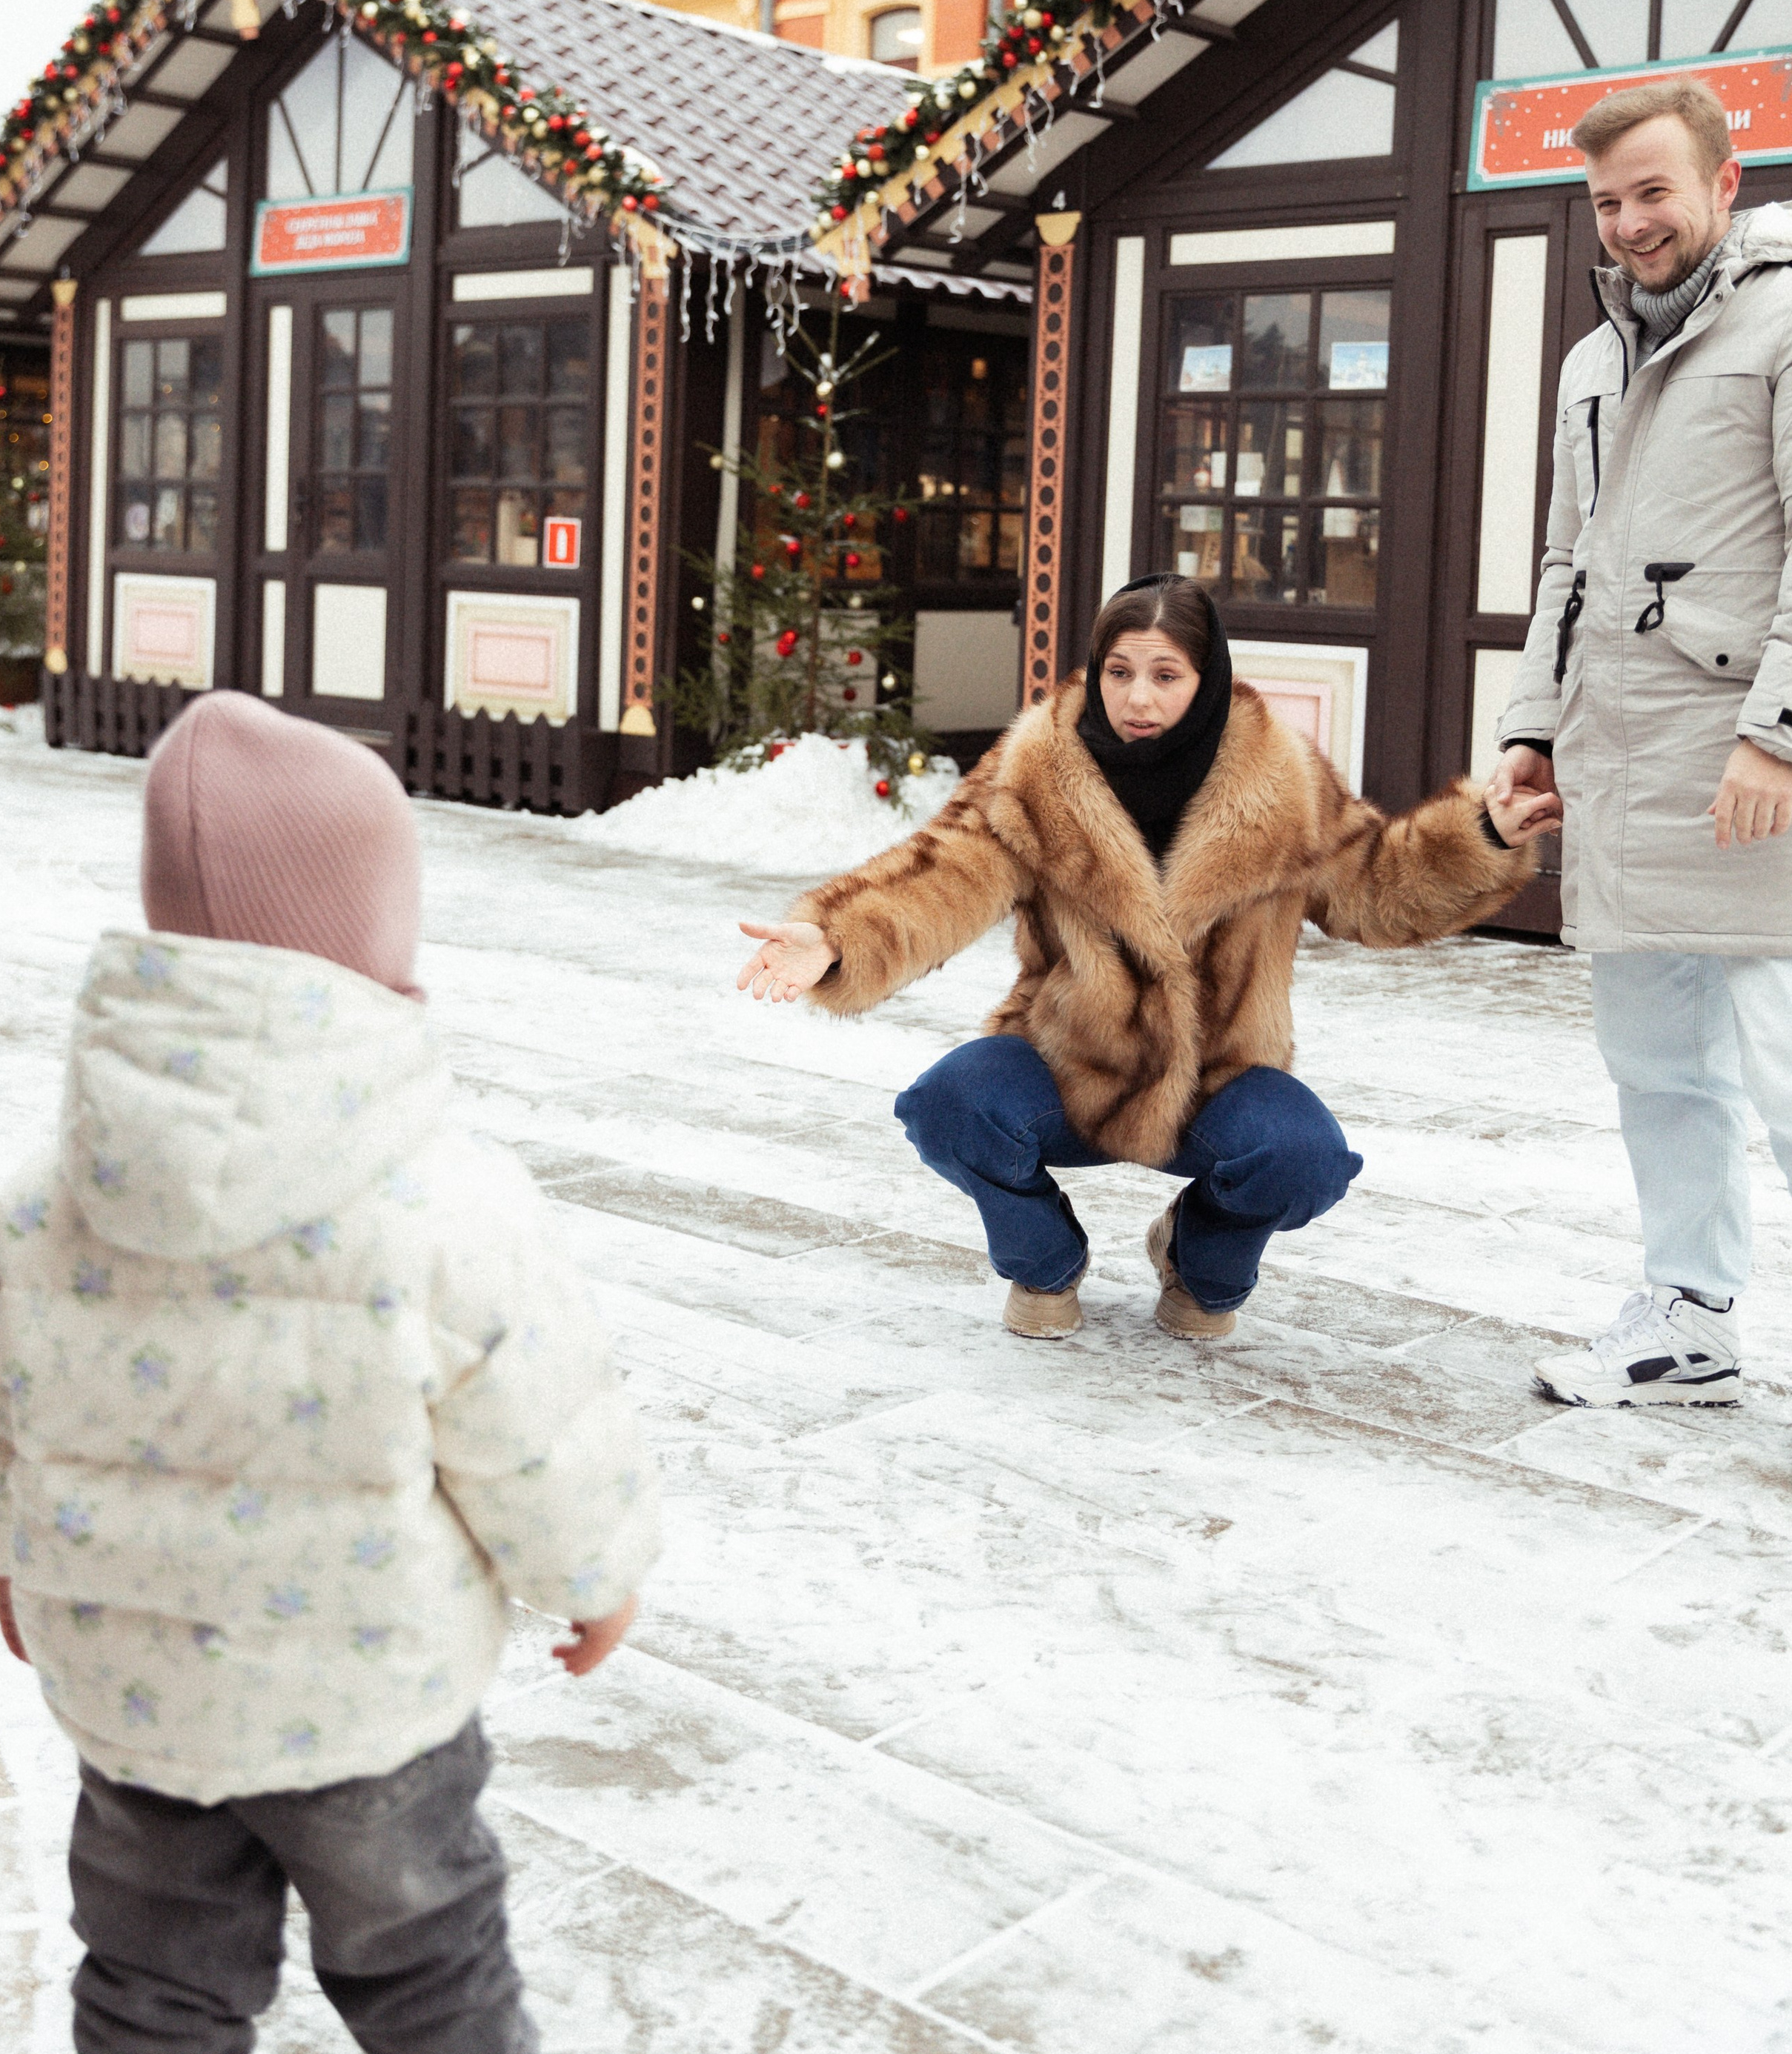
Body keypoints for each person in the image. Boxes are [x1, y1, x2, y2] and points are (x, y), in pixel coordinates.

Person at [0, 692, 660, 2054]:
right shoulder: (442, 1196)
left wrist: (6, 1558)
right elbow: (536, 1421)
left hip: (139, 1699)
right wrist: (597, 1575)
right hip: (369, 1705)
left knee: (151, 1991)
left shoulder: (42, 1195)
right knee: (433, 1971)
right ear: (372, 931)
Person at [738, 577, 1549, 1341]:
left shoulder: (1284, 783)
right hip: (1067, 1067)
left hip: (1217, 1079)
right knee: (948, 1105)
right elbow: (942, 873)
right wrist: (838, 938)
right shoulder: (1037, 770)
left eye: (1166, 674)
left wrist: (1481, 836)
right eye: (1119, 670)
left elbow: (1375, 885)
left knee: (1304, 1159)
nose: (1137, 696)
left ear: (1207, 679)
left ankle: (1195, 1258)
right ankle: (1046, 1265)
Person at [1492, 76, 1792, 1409]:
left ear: (1726, 185)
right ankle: (1690, 1320)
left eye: (1655, 192)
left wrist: (1780, 738)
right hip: (1623, 766)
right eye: (1608, 202)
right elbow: (1568, 560)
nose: (1631, 223)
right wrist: (1531, 730)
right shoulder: (1591, 359)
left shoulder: (1785, 320)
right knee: (1655, 1065)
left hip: (1748, 767)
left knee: (1785, 1066)